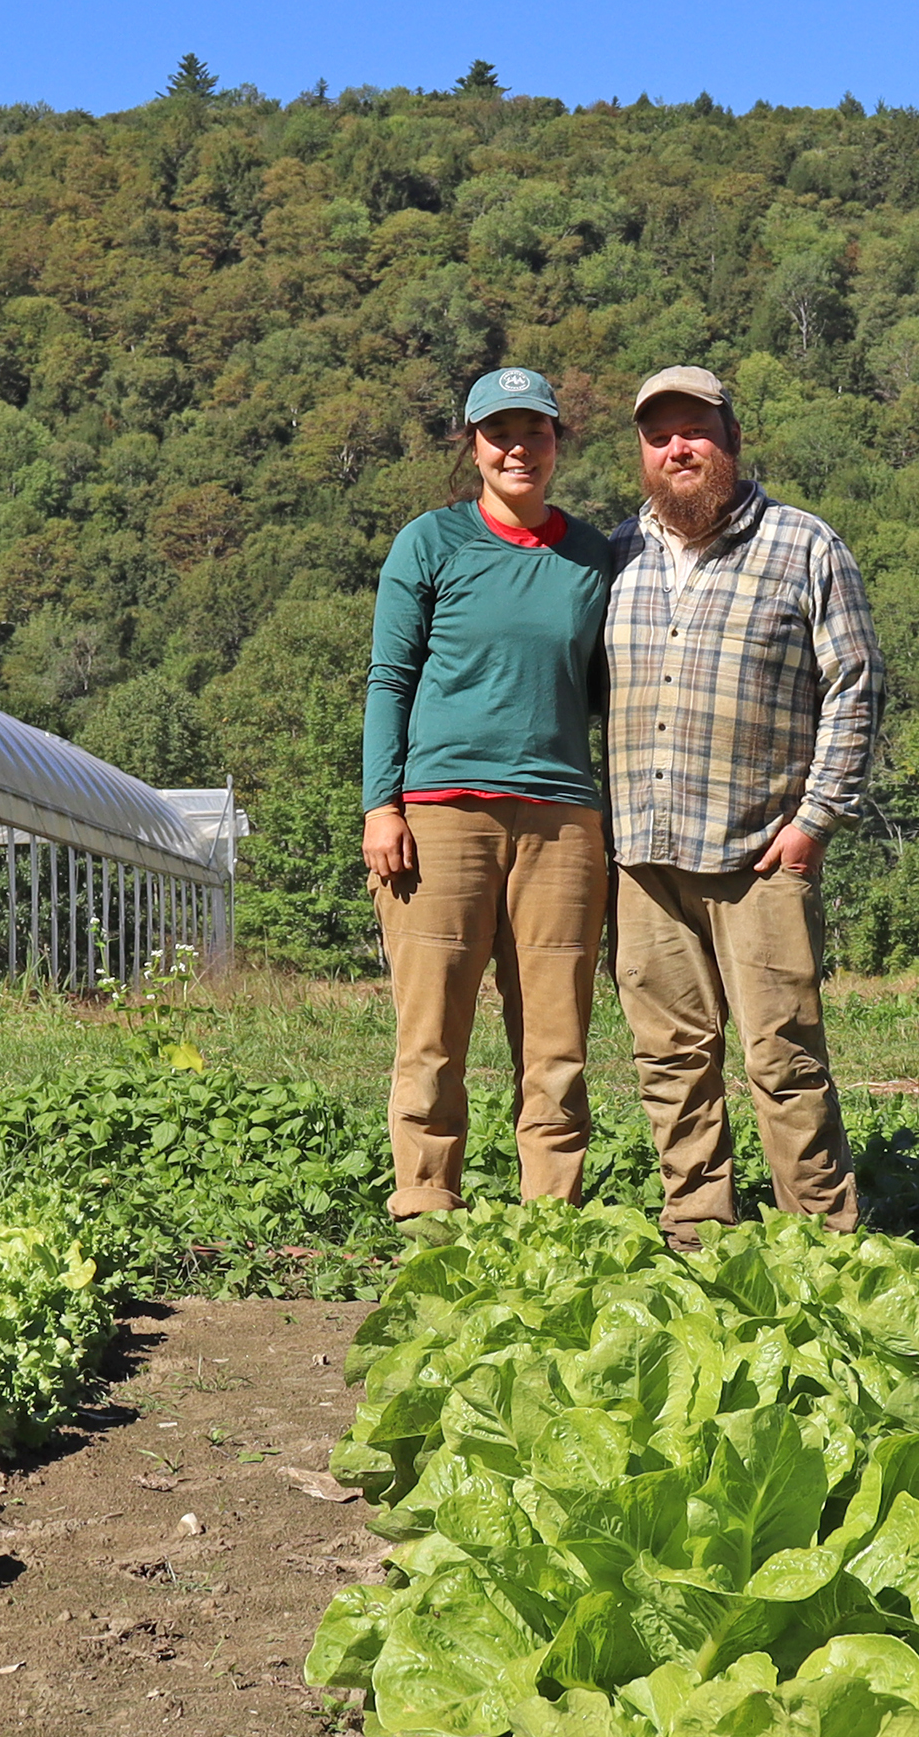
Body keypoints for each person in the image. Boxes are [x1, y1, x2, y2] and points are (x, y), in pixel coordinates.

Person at [604, 365, 881, 1233]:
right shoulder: (617, 553)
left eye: (696, 430)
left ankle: (823, 1238)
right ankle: (698, 1231)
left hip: (760, 852)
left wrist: (815, 821)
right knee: (670, 1061)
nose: (677, 448)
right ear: (644, 453)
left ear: (732, 439)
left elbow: (856, 686)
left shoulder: (804, 546)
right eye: (660, 435)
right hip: (643, 860)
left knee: (785, 1057)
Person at [360, 367, 614, 1219]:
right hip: (441, 817)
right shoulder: (430, 543)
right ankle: (427, 1203)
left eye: (534, 433)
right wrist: (380, 805)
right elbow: (389, 680)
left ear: (556, 444)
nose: (518, 448)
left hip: (562, 821)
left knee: (555, 1039)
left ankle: (552, 1216)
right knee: (433, 1030)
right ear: (472, 444)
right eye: (499, 433)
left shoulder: (594, 557)